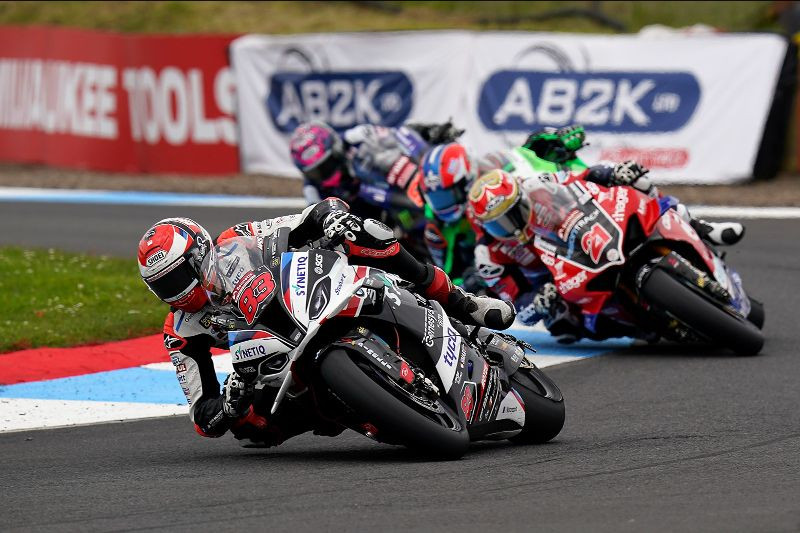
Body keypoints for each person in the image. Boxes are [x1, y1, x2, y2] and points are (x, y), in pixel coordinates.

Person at [137, 199, 514, 447]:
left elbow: (309, 216)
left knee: (367, 234)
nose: (177, 292)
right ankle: (376, 405)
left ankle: (463, 302)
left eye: (178, 277)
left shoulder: (239, 241)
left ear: (200, 254)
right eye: (164, 286)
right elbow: (202, 415)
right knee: (250, 432)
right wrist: (228, 406)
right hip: (276, 365)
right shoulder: (181, 330)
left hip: (315, 295)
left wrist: (332, 216)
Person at [466, 165, 743, 342]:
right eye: (499, 223)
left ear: (522, 196)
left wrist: (613, 174)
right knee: (563, 325)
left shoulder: (537, 184)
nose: (511, 225)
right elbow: (513, 304)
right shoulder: (488, 256)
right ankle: (639, 325)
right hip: (555, 281)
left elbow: (580, 178)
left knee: (639, 186)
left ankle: (702, 228)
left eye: (514, 213)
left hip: (580, 237)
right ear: (483, 225)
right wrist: (537, 301)